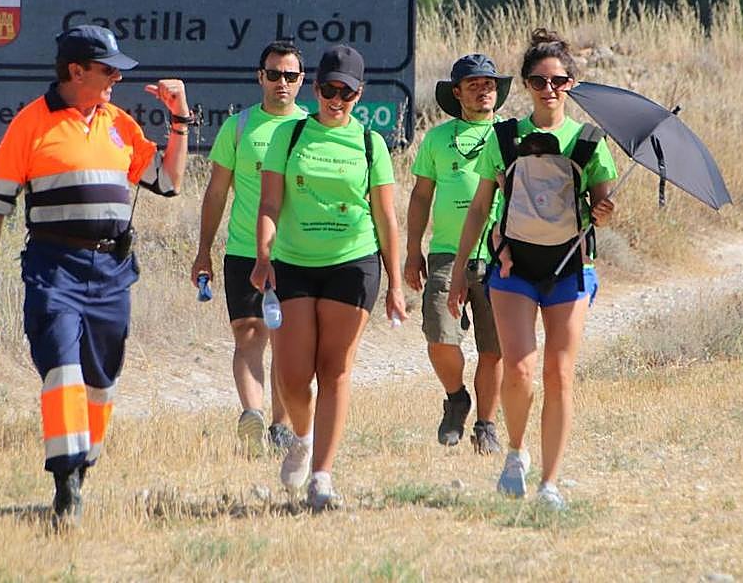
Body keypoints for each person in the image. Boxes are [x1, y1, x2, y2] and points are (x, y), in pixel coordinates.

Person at [0, 24, 191, 528]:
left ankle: (83, 464)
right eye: (107, 70)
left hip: (112, 271)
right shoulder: (30, 125)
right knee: (61, 368)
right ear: (76, 71)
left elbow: (169, 182)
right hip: (53, 268)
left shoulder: (119, 123)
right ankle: (65, 482)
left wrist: (179, 119)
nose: (115, 79)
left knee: (100, 381)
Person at [448, 29, 617, 510]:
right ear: (525, 84)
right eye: (540, 81)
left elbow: (602, 204)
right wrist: (460, 271)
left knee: (559, 375)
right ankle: (516, 454)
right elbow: (480, 209)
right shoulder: (504, 137)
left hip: (570, 268)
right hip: (513, 266)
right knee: (519, 371)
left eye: (559, 81)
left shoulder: (589, 142)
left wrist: (605, 212)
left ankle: (550, 483)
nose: (549, 89)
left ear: (571, 84)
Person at [251, 44, 406, 511]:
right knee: (294, 377)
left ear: (360, 94)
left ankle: (322, 476)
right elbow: (270, 204)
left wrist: (396, 285)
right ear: (315, 88)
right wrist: (263, 255)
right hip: (294, 262)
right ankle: (302, 435)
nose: (337, 99)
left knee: (334, 369)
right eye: (329, 89)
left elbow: (386, 217)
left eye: (348, 92)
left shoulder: (369, 143)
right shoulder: (290, 135)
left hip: (353, 263)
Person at [191, 40, 305, 456]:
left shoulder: (308, 129)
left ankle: (281, 425)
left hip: (295, 254)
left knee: (288, 343)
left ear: (301, 81)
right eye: (273, 74)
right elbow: (217, 193)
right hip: (242, 250)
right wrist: (203, 250)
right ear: (260, 77)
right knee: (249, 334)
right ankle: (252, 416)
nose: (281, 82)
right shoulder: (237, 128)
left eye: (289, 76)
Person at [405, 54, 509, 454]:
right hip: (448, 252)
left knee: (493, 346)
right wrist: (413, 250)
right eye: (474, 85)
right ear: (457, 93)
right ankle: (456, 396)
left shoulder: (510, 134)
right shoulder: (436, 138)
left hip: (501, 253)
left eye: (489, 84)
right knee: (439, 334)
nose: (484, 90)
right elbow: (420, 196)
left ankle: (486, 425)